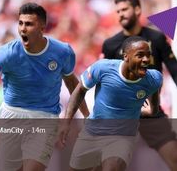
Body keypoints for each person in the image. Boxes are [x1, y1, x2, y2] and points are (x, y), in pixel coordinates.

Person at [0, 2, 89, 171]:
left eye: (29, 24)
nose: (23, 29)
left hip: (45, 117)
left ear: (42, 27)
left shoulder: (62, 52)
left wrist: (87, 115)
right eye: (20, 23)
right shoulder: (8, 53)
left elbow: (73, 84)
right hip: (11, 116)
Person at [59, 36, 163, 171]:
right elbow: (79, 91)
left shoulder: (154, 78)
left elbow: (153, 108)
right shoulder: (103, 68)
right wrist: (67, 122)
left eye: (148, 55)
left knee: (113, 166)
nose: (146, 60)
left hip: (123, 137)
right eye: (140, 55)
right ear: (126, 56)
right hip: (92, 133)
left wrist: (148, 112)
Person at [102, 0, 177, 171]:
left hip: (151, 111)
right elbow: (106, 83)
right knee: (112, 166)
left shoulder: (157, 38)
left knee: (174, 157)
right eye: (118, 11)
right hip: (121, 115)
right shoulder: (111, 45)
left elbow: (175, 70)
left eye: (124, 9)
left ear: (137, 10)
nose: (120, 14)